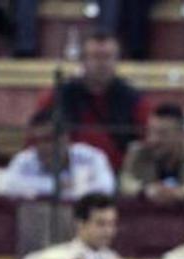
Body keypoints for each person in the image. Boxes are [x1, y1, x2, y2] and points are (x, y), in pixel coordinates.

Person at [34, 32, 148, 170]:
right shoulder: (58, 96)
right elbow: (36, 136)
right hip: (67, 175)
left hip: (117, 176)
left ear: (117, 60)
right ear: (82, 60)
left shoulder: (134, 99)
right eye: (95, 57)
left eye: (107, 57)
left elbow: (146, 143)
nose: (102, 64)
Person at [20, 192, 127, 259]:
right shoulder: (66, 254)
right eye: (101, 224)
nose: (108, 231)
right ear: (80, 224)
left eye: (112, 224)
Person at [0, 110, 115, 200]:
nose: (42, 146)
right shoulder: (24, 161)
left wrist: (38, 188)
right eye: (37, 141)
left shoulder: (91, 157)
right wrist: (59, 185)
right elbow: (9, 186)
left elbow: (105, 188)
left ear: (65, 138)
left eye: (48, 139)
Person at [119, 103, 184, 202]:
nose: (153, 139)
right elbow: (124, 182)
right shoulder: (138, 152)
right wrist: (148, 191)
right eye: (150, 131)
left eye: (162, 134)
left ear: (181, 135)